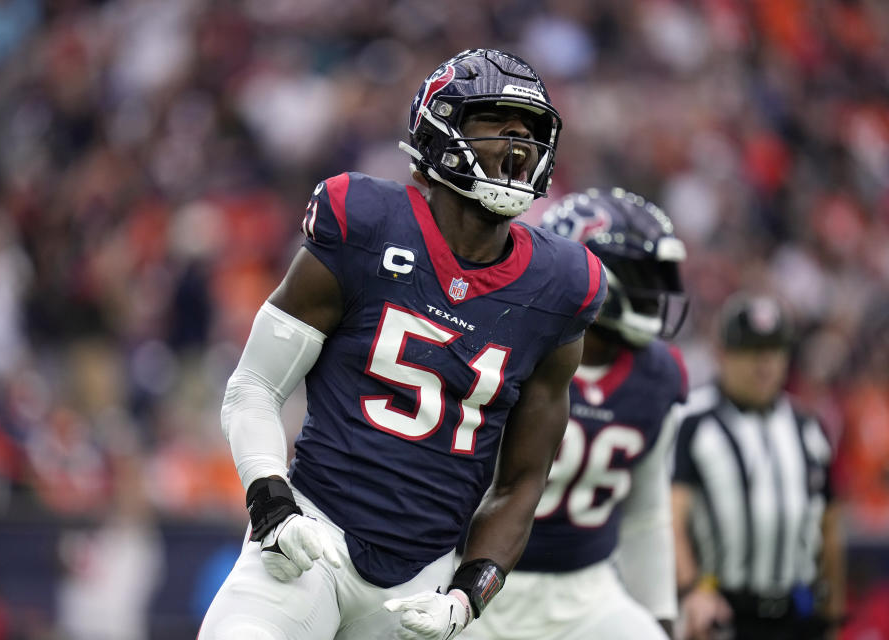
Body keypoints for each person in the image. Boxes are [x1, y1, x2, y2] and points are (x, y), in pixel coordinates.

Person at [198, 48, 607, 640]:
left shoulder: (561, 287)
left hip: (424, 586)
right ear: (441, 129)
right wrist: (271, 501)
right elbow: (255, 386)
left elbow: (523, 480)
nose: (519, 144)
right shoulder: (364, 225)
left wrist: (468, 597)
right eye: (498, 123)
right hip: (310, 542)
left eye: (532, 131)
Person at [460, 188, 690, 640]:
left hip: (586, 590)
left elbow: (645, 510)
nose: (657, 291)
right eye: (642, 272)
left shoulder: (659, 375)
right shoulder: (506, 345)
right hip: (470, 575)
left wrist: (659, 614)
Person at [671, 293, 845, 640]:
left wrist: (833, 613)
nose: (764, 363)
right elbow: (670, 518)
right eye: (751, 351)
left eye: (774, 350)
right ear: (723, 354)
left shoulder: (807, 427)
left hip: (795, 612)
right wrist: (692, 590)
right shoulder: (693, 421)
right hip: (723, 613)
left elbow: (828, 525)